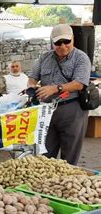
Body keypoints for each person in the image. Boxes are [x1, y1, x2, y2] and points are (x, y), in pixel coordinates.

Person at [28, 24, 90, 165]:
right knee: (45, 154)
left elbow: (79, 83)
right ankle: (46, 182)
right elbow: (32, 78)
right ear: (52, 42)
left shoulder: (81, 58)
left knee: (69, 155)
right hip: (47, 111)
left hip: (72, 109)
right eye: (58, 43)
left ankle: (66, 182)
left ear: (73, 39)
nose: (62, 46)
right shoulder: (44, 57)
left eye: (66, 42)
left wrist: (55, 88)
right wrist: (31, 88)